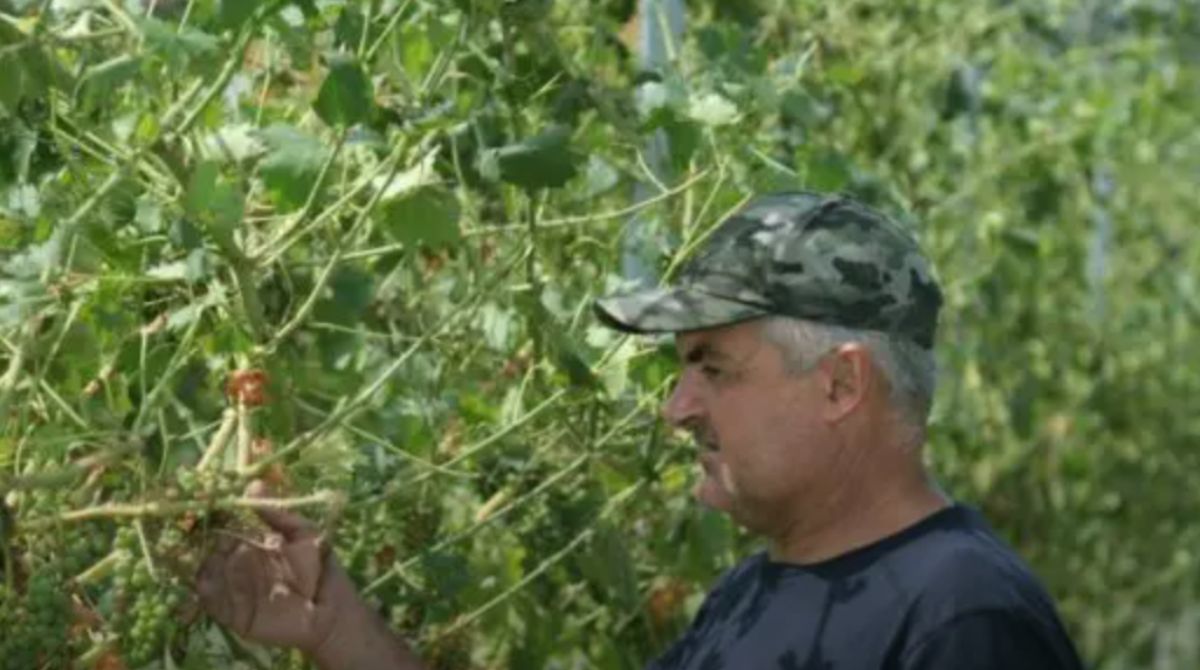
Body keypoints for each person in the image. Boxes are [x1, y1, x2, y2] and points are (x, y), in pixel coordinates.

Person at [196, 191, 1086, 669]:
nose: (677, 407)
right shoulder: (754, 598)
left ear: (841, 383)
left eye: (714, 368)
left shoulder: (962, 619)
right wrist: (334, 626)